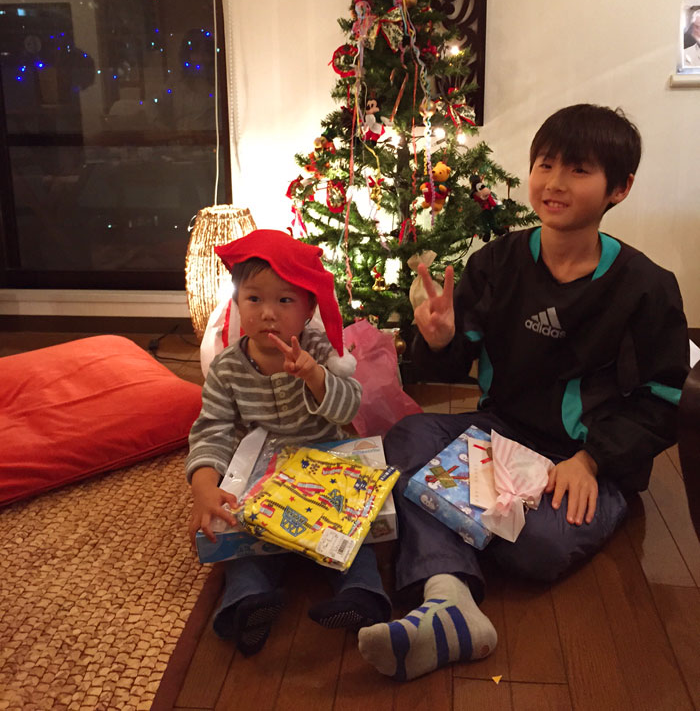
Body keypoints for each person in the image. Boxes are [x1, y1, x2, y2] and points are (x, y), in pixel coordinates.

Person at [358, 103, 689, 681]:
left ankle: (441, 548)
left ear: (620, 187)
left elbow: (663, 400)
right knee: (407, 437)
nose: (554, 183)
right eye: (545, 164)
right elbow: (455, 357)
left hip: (584, 463)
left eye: (578, 170)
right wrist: (438, 339)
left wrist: (591, 460)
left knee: (538, 547)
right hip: (501, 436)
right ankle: (448, 599)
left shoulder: (647, 288)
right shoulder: (498, 262)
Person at [187, 229, 391, 656]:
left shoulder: (322, 351)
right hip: (262, 476)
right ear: (237, 302)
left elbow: (348, 406)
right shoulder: (228, 368)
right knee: (245, 549)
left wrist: (315, 375)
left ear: (308, 309)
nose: (267, 313)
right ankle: (247, 605)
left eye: (284, 300)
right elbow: (212, 428)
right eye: (253, 299)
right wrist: (204, 485)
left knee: (352, 538)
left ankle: (362, 597)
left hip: (324, 469)